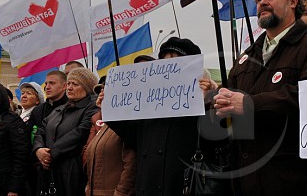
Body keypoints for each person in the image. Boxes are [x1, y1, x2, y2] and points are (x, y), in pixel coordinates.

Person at [213, 0, 307, 196]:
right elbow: (231, 109)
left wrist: (249, 104)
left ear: (293, 1)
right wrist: (216, 99)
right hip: (245, 179)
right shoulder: (246, 55)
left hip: (291, 179)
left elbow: (302, 98)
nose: (262, 2)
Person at [108, 37, 222, 196]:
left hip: (183, 187)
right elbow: (134, 138)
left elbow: (217, 139)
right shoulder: (148, 107)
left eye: (176, 61)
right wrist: (110, 109)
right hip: (148, 187)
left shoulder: (204, 102)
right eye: (164, 61)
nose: (169, 66)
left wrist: (208, 101)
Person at [33, 68, 99, 196]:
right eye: (68, 84)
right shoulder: (60, 109)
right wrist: (38, 149)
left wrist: (51, 154)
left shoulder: (93, 107)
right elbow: (41, 129)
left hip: (73, 173)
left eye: (75, 84)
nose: (69, 87)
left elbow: (80, 133)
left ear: (87, 87)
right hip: (49, 172)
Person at [84, 82, 136, 196]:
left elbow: (131, 164)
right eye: (101, 91)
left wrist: (121, 193)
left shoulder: (127, 124)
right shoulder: (100, 122)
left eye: (106, 90)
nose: (101, 94)